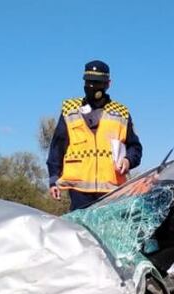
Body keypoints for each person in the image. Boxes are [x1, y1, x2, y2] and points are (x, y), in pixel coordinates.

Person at [47, 60, 143, 211]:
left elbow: (135, 147)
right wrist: (53, 179)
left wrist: (128, 160)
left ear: (108, 84)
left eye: (97, 83)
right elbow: (57, 148)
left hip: (111, 191)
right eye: (89, 82)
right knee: (79, 232)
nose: (92, 87)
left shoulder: (121, 112)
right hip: (79, 191)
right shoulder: (70, 110)